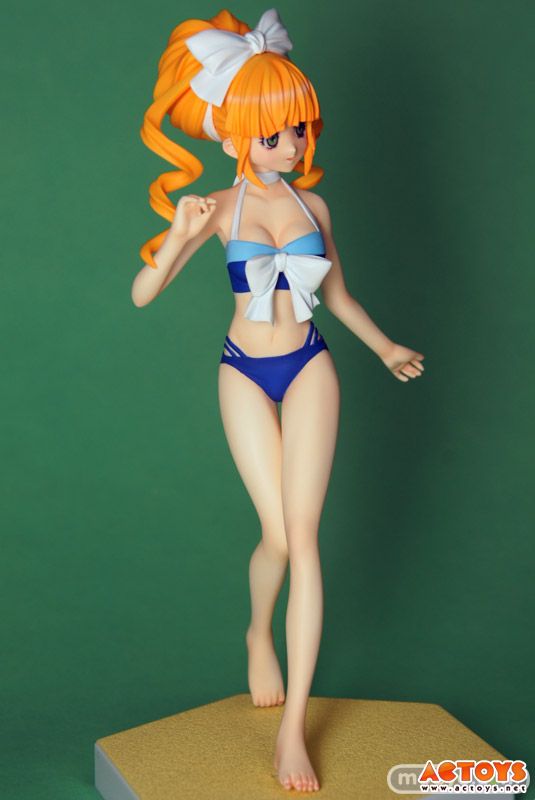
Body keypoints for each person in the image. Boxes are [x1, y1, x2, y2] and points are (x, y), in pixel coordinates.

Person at [131, 8, 425, 792]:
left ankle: (294, 726)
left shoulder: (313, 210)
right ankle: (256, 632)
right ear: (234, 135)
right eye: (273, 134)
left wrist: (384, 347)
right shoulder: (216, 210)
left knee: (305, 539)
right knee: (276, 540)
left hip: (309, 365)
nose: (291, 145)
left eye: (297, 129)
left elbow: (339, 296)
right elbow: (141, 295)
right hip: (242, 371)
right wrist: (175, 237)